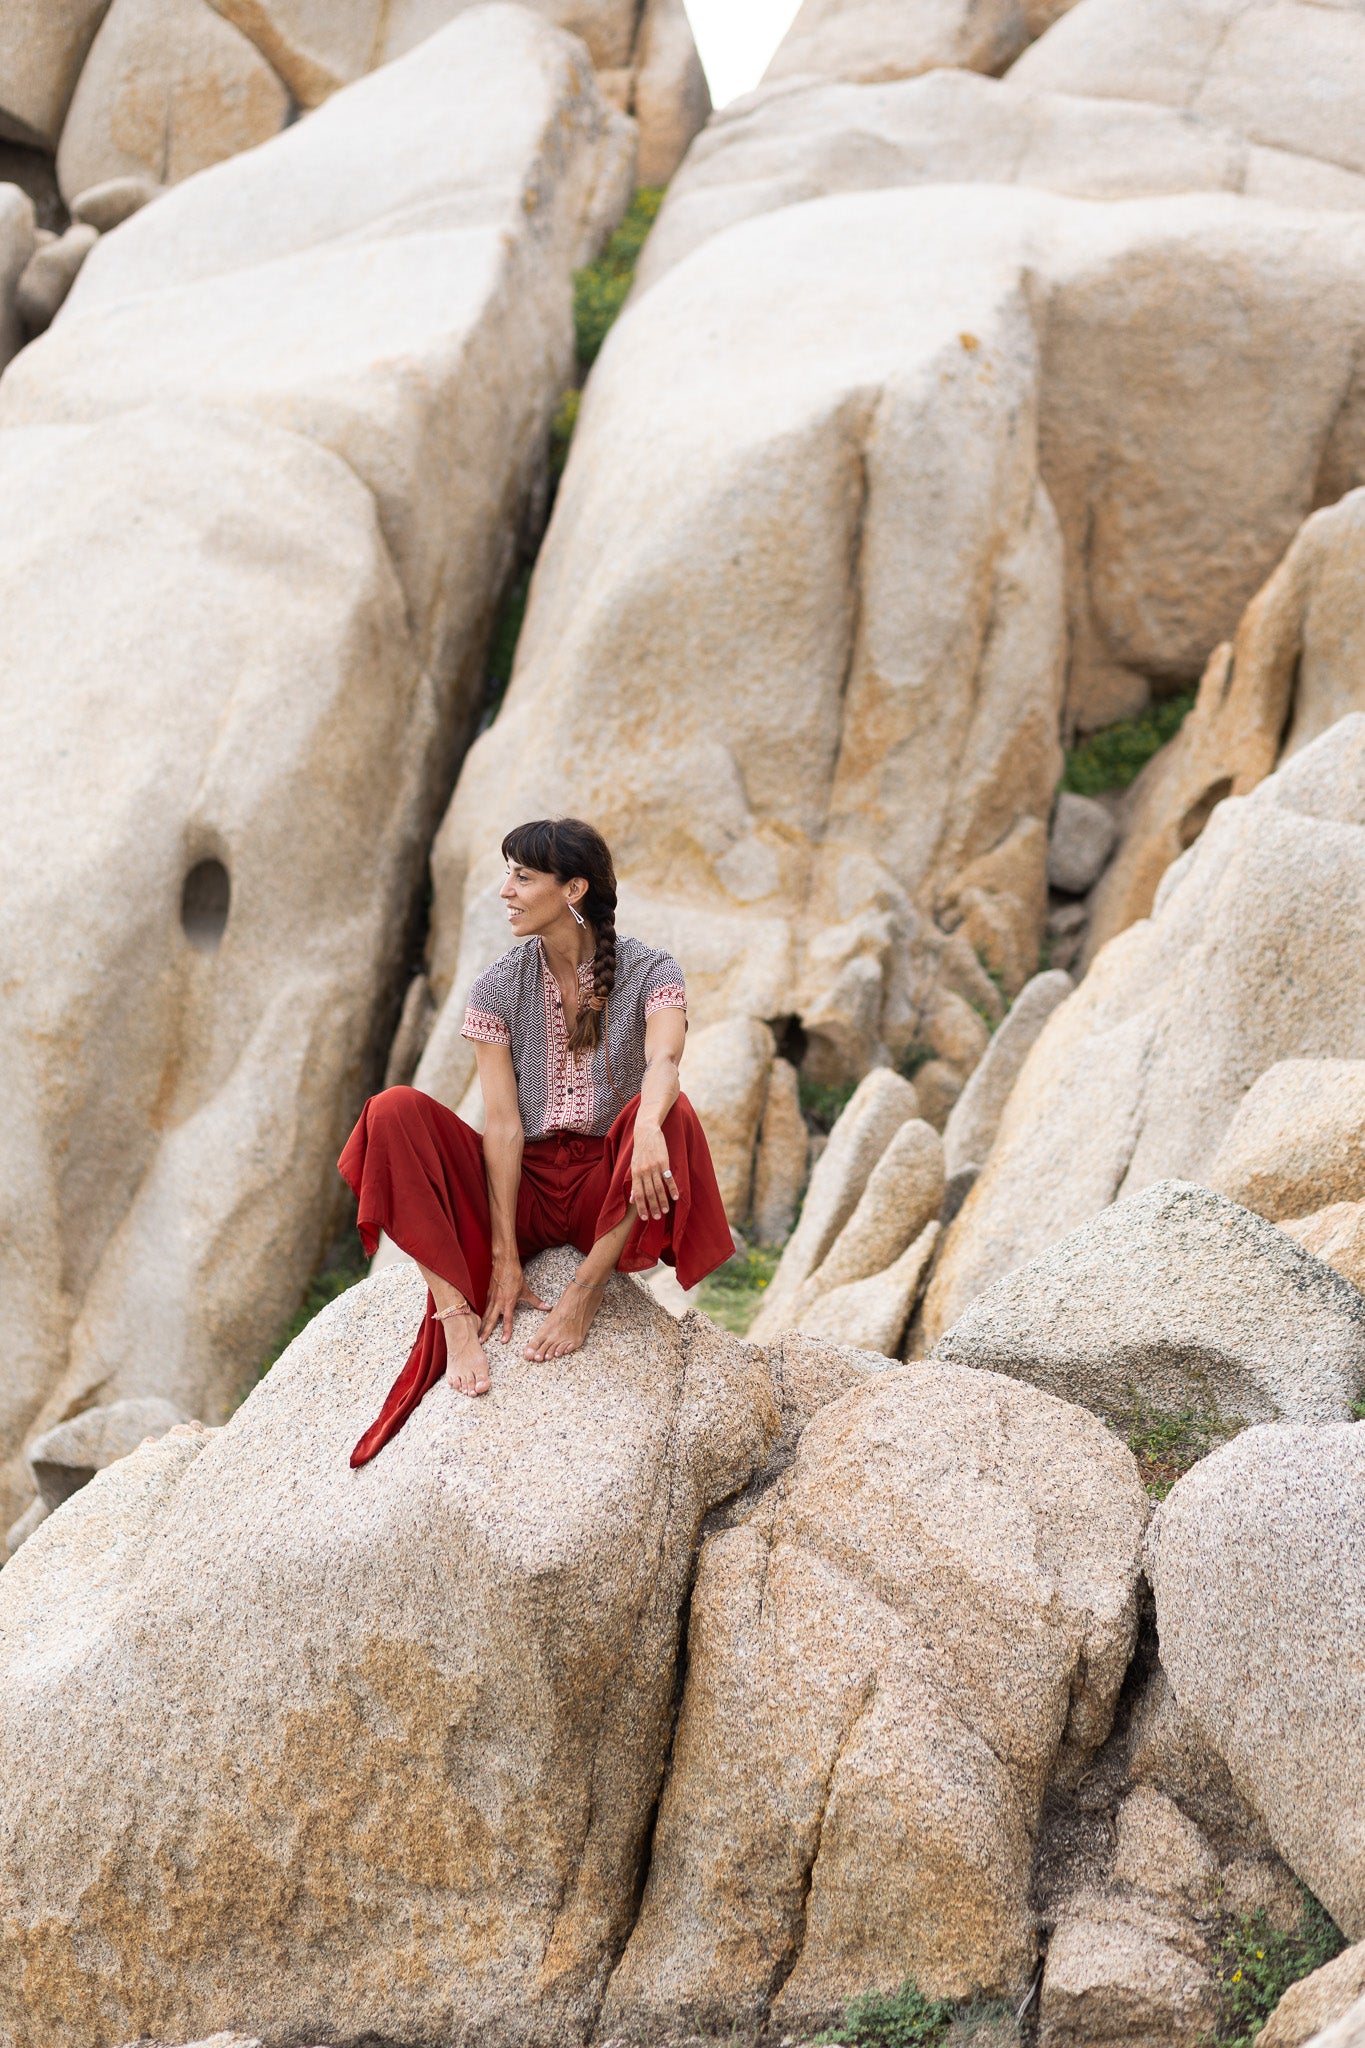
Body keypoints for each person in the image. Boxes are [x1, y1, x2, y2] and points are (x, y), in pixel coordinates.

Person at [340, 816, 735, 1467]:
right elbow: (500, 1123)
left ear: (573, 889)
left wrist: (643, 1130)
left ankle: (585, 1291)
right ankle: (454, 1313)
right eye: (508, 875)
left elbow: (665, 1062)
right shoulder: (498, 985)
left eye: (523, 877)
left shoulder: (649, 970)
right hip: (522, 1183)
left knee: (672, 1115)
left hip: (605, 1189)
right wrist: (503, 1258)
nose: (506, 891)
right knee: (392, 1111)